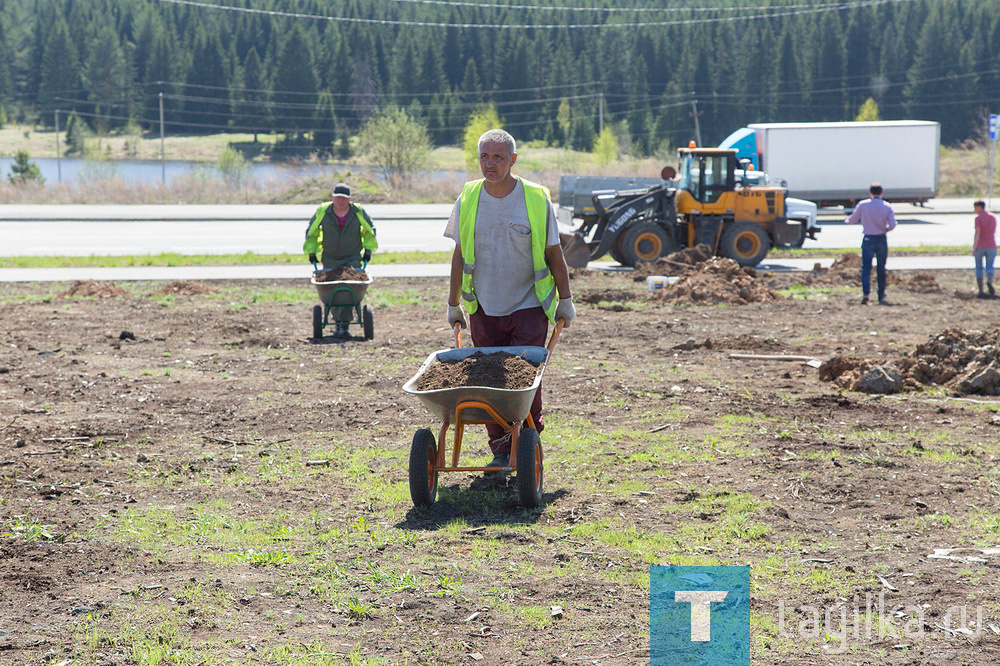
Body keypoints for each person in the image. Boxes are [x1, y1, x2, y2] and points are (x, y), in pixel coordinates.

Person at [445, 129, 576, 470]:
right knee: (490, 381)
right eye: (485, 157)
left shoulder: (534, 198)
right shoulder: (469, 197)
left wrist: (566, 298)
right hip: (485, 307)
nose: (490, 164)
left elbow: (553, 252)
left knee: (524, 378)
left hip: (528, 305)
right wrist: (453, 302)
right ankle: (501, 449)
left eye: (498, 157)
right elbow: (459, 254)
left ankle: (528, 442)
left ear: (513, 160)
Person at [303, 182, 378, 338]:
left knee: (348, 289)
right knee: (333, 292)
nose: (341, 201)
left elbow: (369, 231)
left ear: (350, 199)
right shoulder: (324, 211)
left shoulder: (357, 212)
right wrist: (312, 252)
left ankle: (343, 325)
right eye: (338, 198)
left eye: (344, 198)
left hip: (352, 257)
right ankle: (340, 324)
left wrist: (368, 251)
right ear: (332, 197)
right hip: (330, 257)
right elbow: (312, 232)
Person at [845, 182, 896, 305]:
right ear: (881, 193)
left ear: (870, 193)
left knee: (866, 268)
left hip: (868, 238)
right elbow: (893, 224)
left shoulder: (863, 205)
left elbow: (851, 220)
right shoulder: (887, 206)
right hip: (881, 238)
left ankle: (866, 293)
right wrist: (885, 229)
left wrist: (847, 220)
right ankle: (881, 294)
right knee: (881, 268)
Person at [973, 200, 997, 298]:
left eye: (975, 207)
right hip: (991, 245)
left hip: (980, 246)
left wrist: (975, 246)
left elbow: (978, 233)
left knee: (979, 267)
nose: (974, 210)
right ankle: (989, 282)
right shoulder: (993, 217)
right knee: (990, 267)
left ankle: (981, 290)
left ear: (980, 207)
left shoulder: (978, 218)